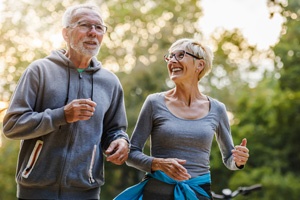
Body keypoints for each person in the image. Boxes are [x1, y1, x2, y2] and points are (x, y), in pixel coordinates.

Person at [2, 4, 130, 200]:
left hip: (86, 193)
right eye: (85, 25)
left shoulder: (110, 82)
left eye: (99, 27)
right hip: (35, 192)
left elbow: (115, 129)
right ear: (66, 33)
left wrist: (120, 141)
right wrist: (61, 115)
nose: (93, 33)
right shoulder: (39, 71)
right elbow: (11, 126)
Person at [114, 38, 249, 200]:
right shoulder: (154, 102)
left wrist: (238, 160)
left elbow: (229, 159)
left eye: (180, 55)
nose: (172, 61)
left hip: (198, 193)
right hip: (158, 193)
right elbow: (131, 154)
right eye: (170, 57)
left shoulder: (217, 109)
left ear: (200, 65)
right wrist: (159, 163)